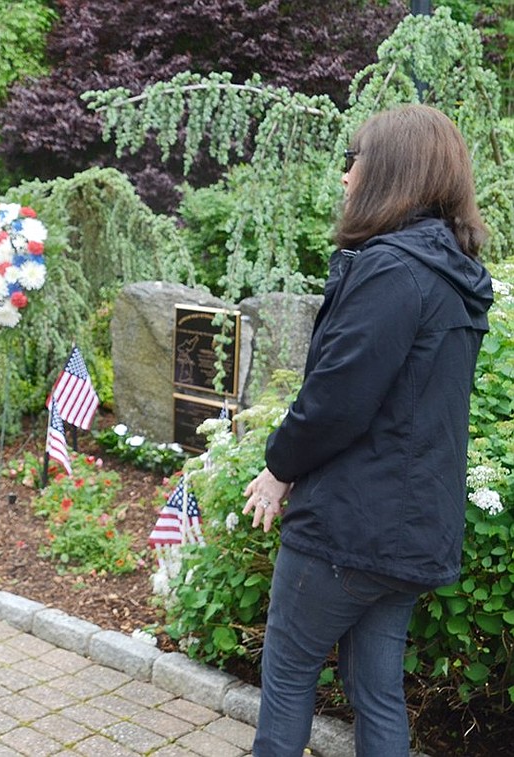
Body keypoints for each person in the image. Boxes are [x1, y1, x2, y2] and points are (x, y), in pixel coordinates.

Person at [241, 104, 492, 756]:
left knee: (290, 670)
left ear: (388, 170)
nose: (346, 178)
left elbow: (335, 402)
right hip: (407, 532)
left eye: (353, 161)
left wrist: (277, 467)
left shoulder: (392, 270)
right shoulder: (450, 277)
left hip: (349, 529)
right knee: (373, 687)